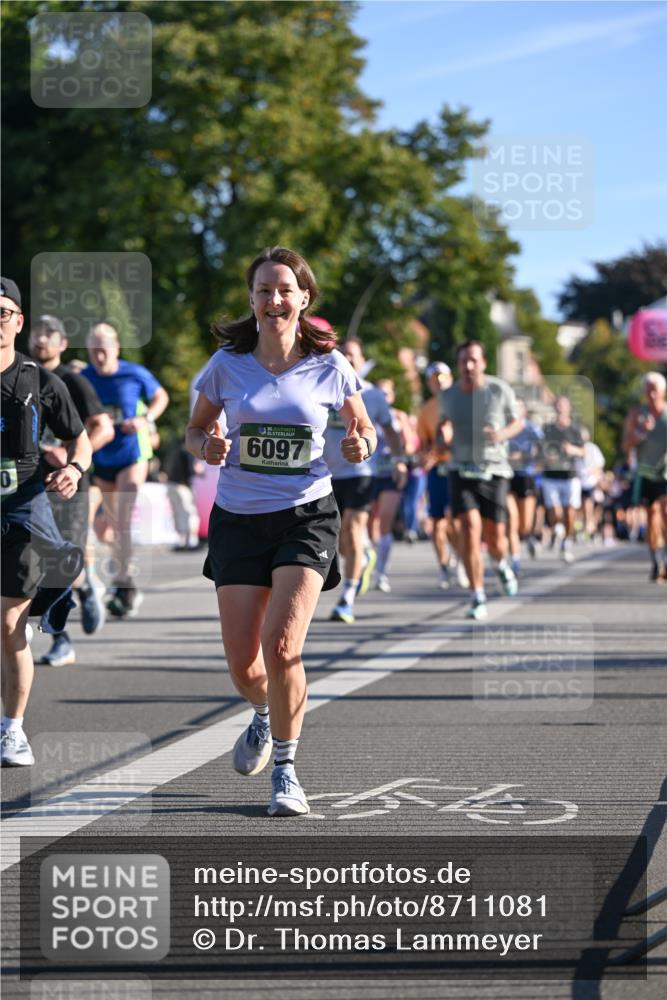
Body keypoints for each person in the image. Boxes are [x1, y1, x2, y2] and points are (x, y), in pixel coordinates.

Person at [186, 246, 375, 817]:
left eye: (284, 290)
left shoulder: (331, 364)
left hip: (306, 514)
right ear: (253, 299)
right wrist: (208, 445)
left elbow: (363, 426)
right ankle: (264, 714)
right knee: (246, 666)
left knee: (284, 645)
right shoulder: (226, 363)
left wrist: (359, 443)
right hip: (239, 520)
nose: (274, 300)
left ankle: (287, 772)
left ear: (304, 299)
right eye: (264, 290)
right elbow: (194, 432)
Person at [1, 278, 92, 766]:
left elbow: (82, 439)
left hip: (22, 507)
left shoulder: (39, 380)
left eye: (3, 313)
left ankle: (12, 729)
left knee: (9, 620)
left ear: (17, 322)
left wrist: (75, 470)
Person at [28, 315, 115, 665]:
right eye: (36, 332)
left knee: (62, 562)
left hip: (69, 485)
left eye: (50, 334)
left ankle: (86, 581)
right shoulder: (21, 378)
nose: (41, 339)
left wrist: (70, 458)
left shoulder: (72, 382)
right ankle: (60, 640)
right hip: (28, 486)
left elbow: (103, 428)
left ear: (63, 344)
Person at [82, 323, 169, 617]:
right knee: (105, 528)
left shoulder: (134, 373)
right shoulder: (84, 377)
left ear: (116, 348)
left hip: (133, 455)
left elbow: (162, 397)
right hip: (102, 457)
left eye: (103, 349)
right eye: (93, 349)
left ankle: (123, 583)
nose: (99, 355)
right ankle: (124, 562)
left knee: (120, 518)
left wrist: (146, 418)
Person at [323, 337, 406, 624]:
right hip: (326, 475)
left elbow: (391, 432)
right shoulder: (323, 386)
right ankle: (365, 558)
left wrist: (399, 461)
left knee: (354, 530)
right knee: (341, 540)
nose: (348, 359)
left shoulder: (372, 395)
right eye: (342, 354)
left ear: (362, 360)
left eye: (353, 355)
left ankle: (346, 599)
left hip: (360, 473)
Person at [439, 340, 522, 621]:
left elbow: (517, 422)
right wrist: (443, 435)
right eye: (463, 361)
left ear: (484, 363)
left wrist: (501, 435)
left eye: (474, 360)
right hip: (460, 469)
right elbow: (443, 425)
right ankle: (477, 595)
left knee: (496, 537)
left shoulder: (499, 390)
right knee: (469, 529)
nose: (469, 366)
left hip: (494, 469)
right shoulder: (449, 395)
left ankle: (502, 564)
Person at [417, 361, 465, 590]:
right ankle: (444, 566)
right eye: (434, 379)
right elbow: (424, 445)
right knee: (437, 523)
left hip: (456, 467)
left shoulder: (460, 403)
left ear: (450, 378)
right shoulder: (426, 410)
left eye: (442, 377)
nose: (438, 382)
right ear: (429, 383)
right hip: (437, 470)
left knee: (454, 522)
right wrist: (425, 457)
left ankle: (462, 559)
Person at [623, 372, 667, 582]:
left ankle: (665, 556)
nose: (651, 394)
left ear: (663, 392)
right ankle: (656, 559)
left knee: (665, 511)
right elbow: (626, 445)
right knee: (652, 516)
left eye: (655, 390)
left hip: (666, 472)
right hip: (646, 473)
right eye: (647, 390)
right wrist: (641, 431)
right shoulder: (637, 414)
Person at [368, 377, 410, 593]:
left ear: (392, 397)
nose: (383, 398)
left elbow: (410, 444)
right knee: (369, 525)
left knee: (385, 520)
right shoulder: (366, 411)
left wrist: (401, 437)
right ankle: (371, 559)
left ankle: (381, 573)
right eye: (380, 393)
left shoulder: (398, 416)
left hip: (389, 474)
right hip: (368, 473)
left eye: (387, 394)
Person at [540, 395, 585, 564]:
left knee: (570, 512)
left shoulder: (575, 430)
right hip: (551, 476)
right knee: (555, 512)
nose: (560, 408)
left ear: (569, 408)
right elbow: (540, 450)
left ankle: (567, 542)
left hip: (570, 476)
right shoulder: (548, 429)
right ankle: (556, 529)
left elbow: (583, 452)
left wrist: (572, 449)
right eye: (558, 405)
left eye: (563, 405)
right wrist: (547, 457)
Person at [506, 398, 543, 575]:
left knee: (524, 525)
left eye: (517, 407)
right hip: (506, 476)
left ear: (524, 411)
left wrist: (529, 457)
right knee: (511, 520)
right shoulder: (503, 427)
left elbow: (544, 449)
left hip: (525, 476)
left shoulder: (531, 429)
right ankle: (515, 560)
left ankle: (528, 538)